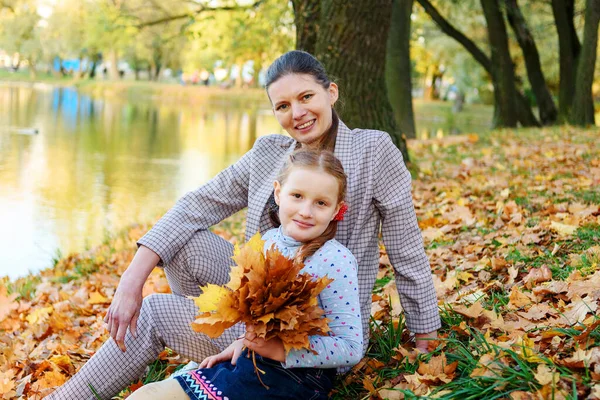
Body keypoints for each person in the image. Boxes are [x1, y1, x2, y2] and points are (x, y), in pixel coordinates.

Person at [46, 50, 440, 400]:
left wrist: (426, 338)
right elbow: (194, 206)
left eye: (306, 97)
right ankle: (214, 352)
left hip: (315, 335)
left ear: (331, 93)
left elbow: (406, 249)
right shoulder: (269, 153)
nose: (297, 113)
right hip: (255, 307)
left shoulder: (373, 150)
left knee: (154, 313)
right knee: (185, 243)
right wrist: (132, 278)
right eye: (282, 105)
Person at [127, 149, 363, 400]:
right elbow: (258, 319)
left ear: (337, 209)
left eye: (321, 203)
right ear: (278, 193)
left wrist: (281, 351)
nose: (306, 211)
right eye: (297, 196)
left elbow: (350, 348)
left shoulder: (336, 260)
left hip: (295, 378)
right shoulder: (267, 242)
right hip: (251, 360)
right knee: (147, 394)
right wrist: (238, 344)